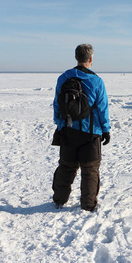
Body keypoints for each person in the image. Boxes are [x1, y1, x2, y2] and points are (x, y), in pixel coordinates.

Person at [52, 44, 110, 211]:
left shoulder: (63, 78)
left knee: (66, 166)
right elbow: (102, 108)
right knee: (90, 170)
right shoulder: (96, 81)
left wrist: (60, 125)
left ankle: (59, 200)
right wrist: (105, 129)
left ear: (76, 57)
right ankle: (88, 204)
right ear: (90, 58)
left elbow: (57, 104)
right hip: (91, 133)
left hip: (68, 131)